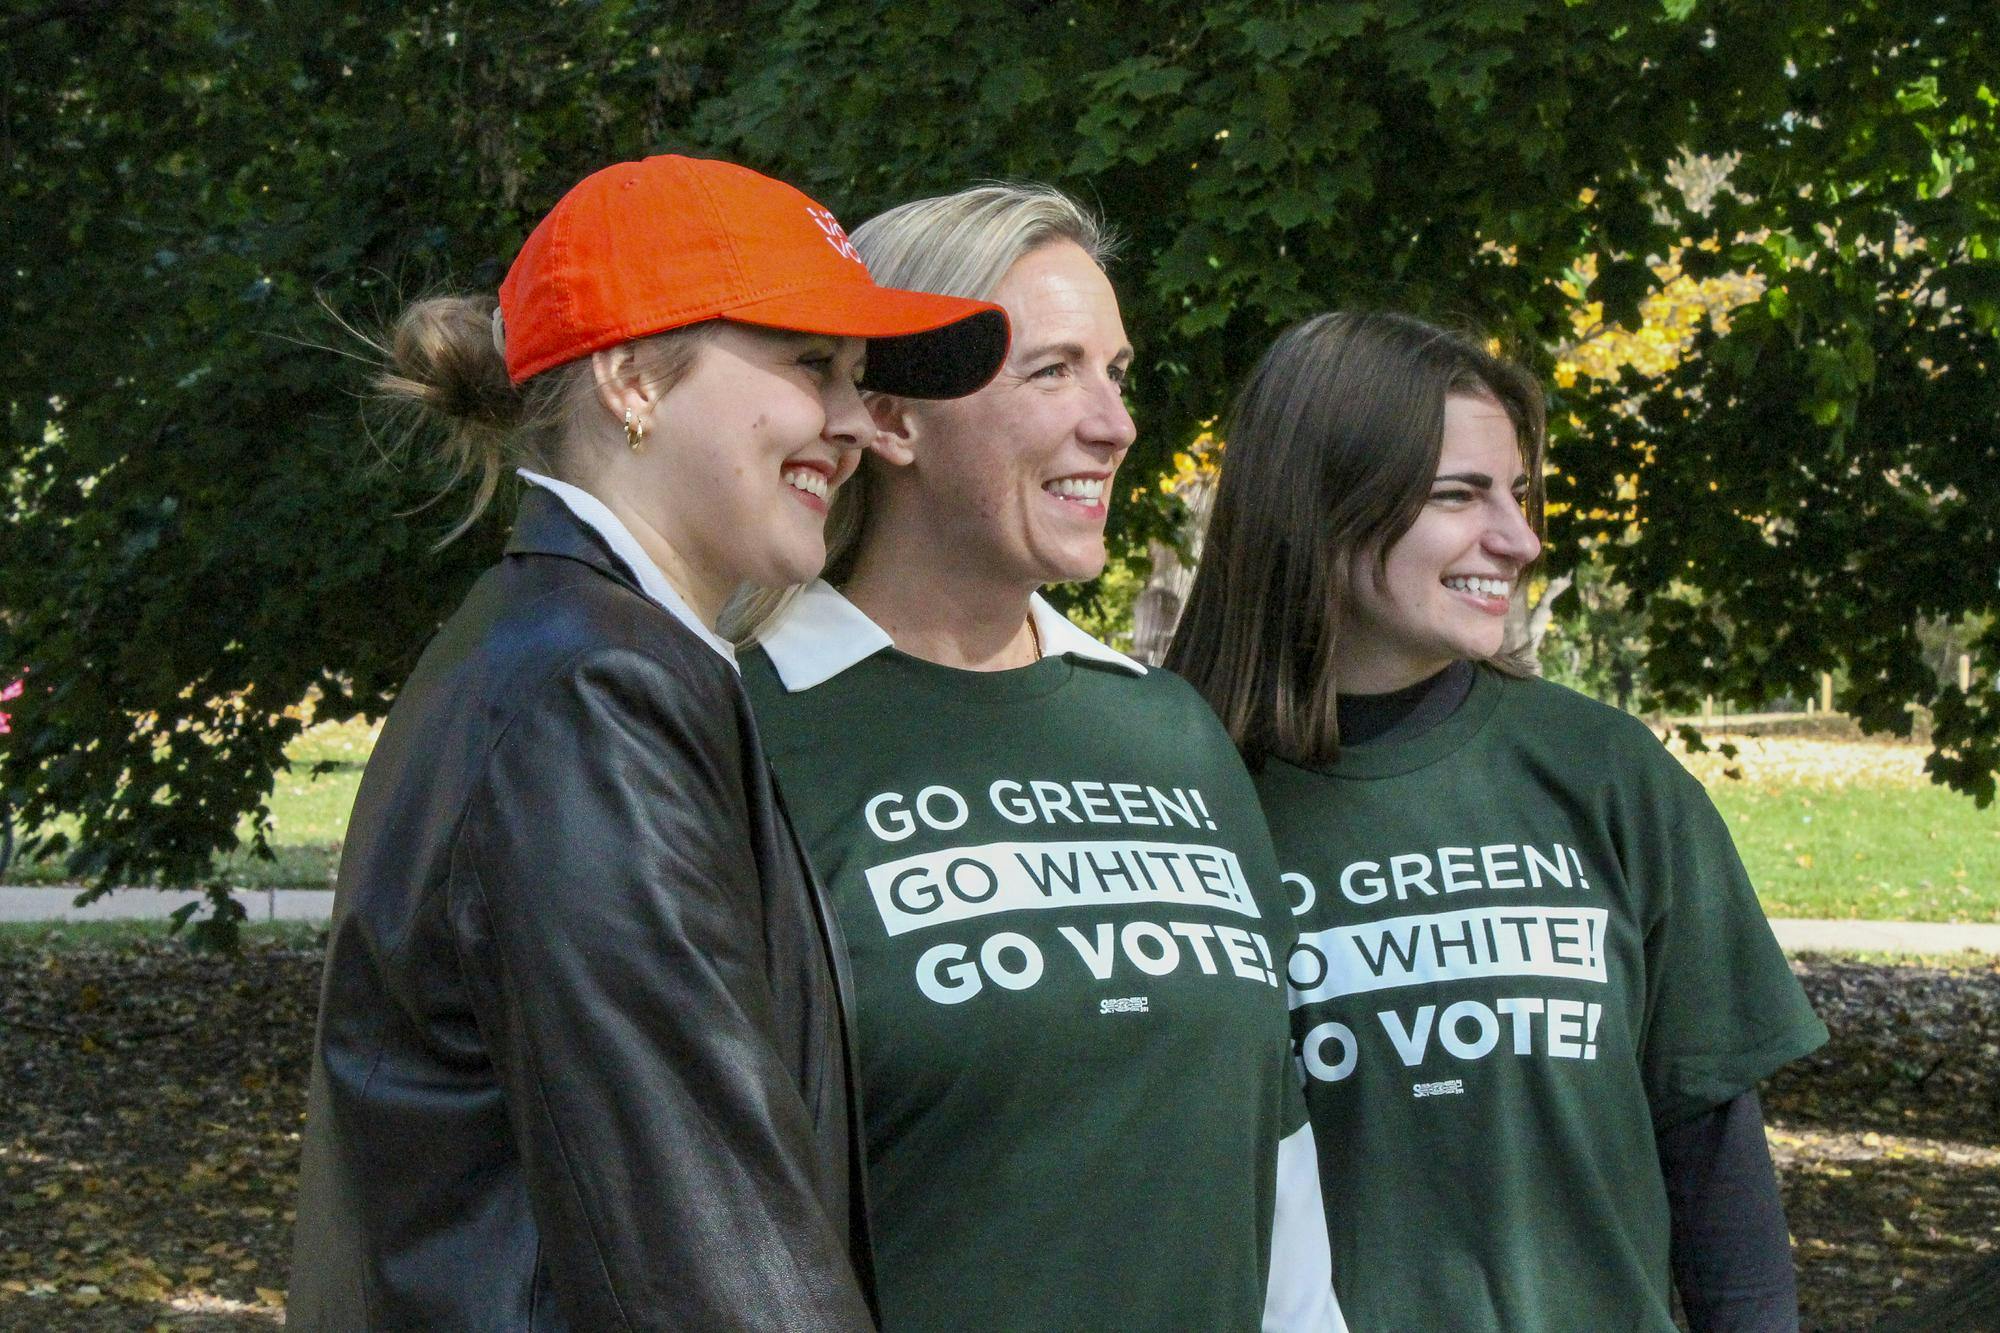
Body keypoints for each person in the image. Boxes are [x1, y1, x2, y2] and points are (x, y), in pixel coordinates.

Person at [287, 154, 1008, 1330]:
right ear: (630, 379)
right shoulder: (591, 691)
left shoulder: (571, 655)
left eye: (859, 377)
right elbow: (707, 1246)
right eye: (810, 365)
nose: (853, 423)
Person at [735, 184, 1341, 1332]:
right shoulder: (739, 730)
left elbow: (1277, 1160)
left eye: (1115, 372)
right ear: (894, 418)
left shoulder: (1166, 733)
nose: (1112, 422)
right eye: (1051, 371)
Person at [1166, 310, 1829, 1332]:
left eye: (1516, 494)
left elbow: (1711, 1158)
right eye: (1458, 496)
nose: (1516, 539)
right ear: (1319, 505)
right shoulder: (1174, 795)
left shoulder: (1604, 776)